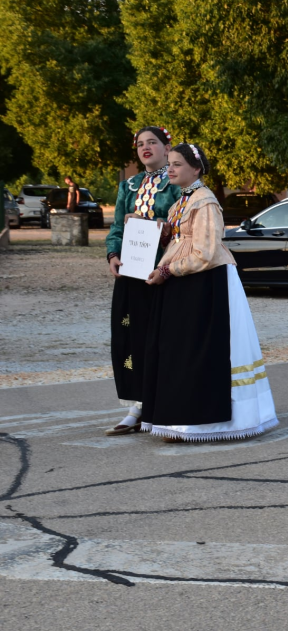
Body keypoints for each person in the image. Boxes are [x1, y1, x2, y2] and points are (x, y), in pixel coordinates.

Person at [141, 143, 278, 441]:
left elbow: (206, 252)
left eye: (177, 164)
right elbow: (181, 242)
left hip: (206, 283)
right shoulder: (181, 202)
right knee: (180, 350)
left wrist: (166, 270)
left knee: (200, 351)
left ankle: (205, 422)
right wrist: (159, 232)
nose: (171, 169)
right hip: (185, 280)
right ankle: (179, 420)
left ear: (196, 169)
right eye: (170, 164)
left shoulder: (205, 202)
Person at [103, 127, 183, 436]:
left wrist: (152, 225)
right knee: (133, 339)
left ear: (167, 147)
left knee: (162, 339)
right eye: (140, 144)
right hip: (132, 272)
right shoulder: (129, 185)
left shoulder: (176, 183)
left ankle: (165, 404)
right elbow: (117, 228)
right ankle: (137, 406)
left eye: (152, 142)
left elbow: (181, 229)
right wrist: (112, 253)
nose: (145, 148)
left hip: (164, 273)